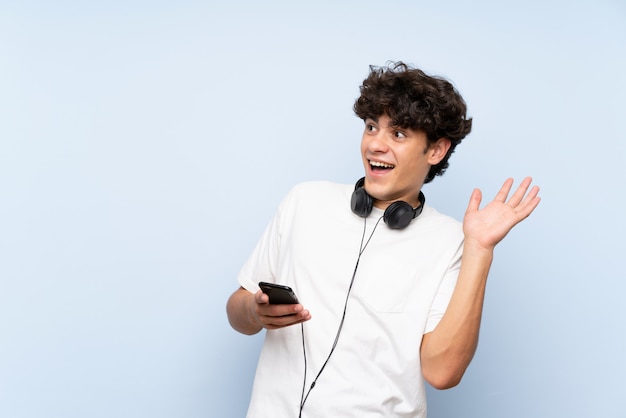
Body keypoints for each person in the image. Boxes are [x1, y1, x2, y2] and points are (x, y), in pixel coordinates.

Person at [226, 61, 541, 417]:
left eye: (399, 134)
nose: (376, 144)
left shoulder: (453, 240)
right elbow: (236, 312)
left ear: (436, 150)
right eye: (372, 127)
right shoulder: (304, 201)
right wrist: (254, 311)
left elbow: (442, 373)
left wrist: (480, 250)